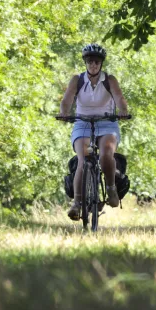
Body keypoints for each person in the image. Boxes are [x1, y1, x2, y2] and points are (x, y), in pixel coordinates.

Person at [58, 43, 129, 221]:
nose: (93, 65)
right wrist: (64, 113)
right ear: (85, 63)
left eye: (96, 62)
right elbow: (67, 99)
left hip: (106, 123)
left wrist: (122, 111)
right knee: (83, 159)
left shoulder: (109, 80)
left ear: (101, 64)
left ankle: (111, 188)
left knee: (106, 154)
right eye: (90, 61)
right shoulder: (77, 80)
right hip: (82, 122)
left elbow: (119, 97)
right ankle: (76, 203)